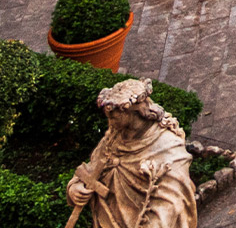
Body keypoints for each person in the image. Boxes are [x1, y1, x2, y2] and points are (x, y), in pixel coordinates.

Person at [67, 77, 200, 228]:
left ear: (133, 112)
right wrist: (75, 187)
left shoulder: (168, 147)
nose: (110, 123)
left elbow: (170, 205)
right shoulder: (113, 137)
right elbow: (91, 170)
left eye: (113, 117)